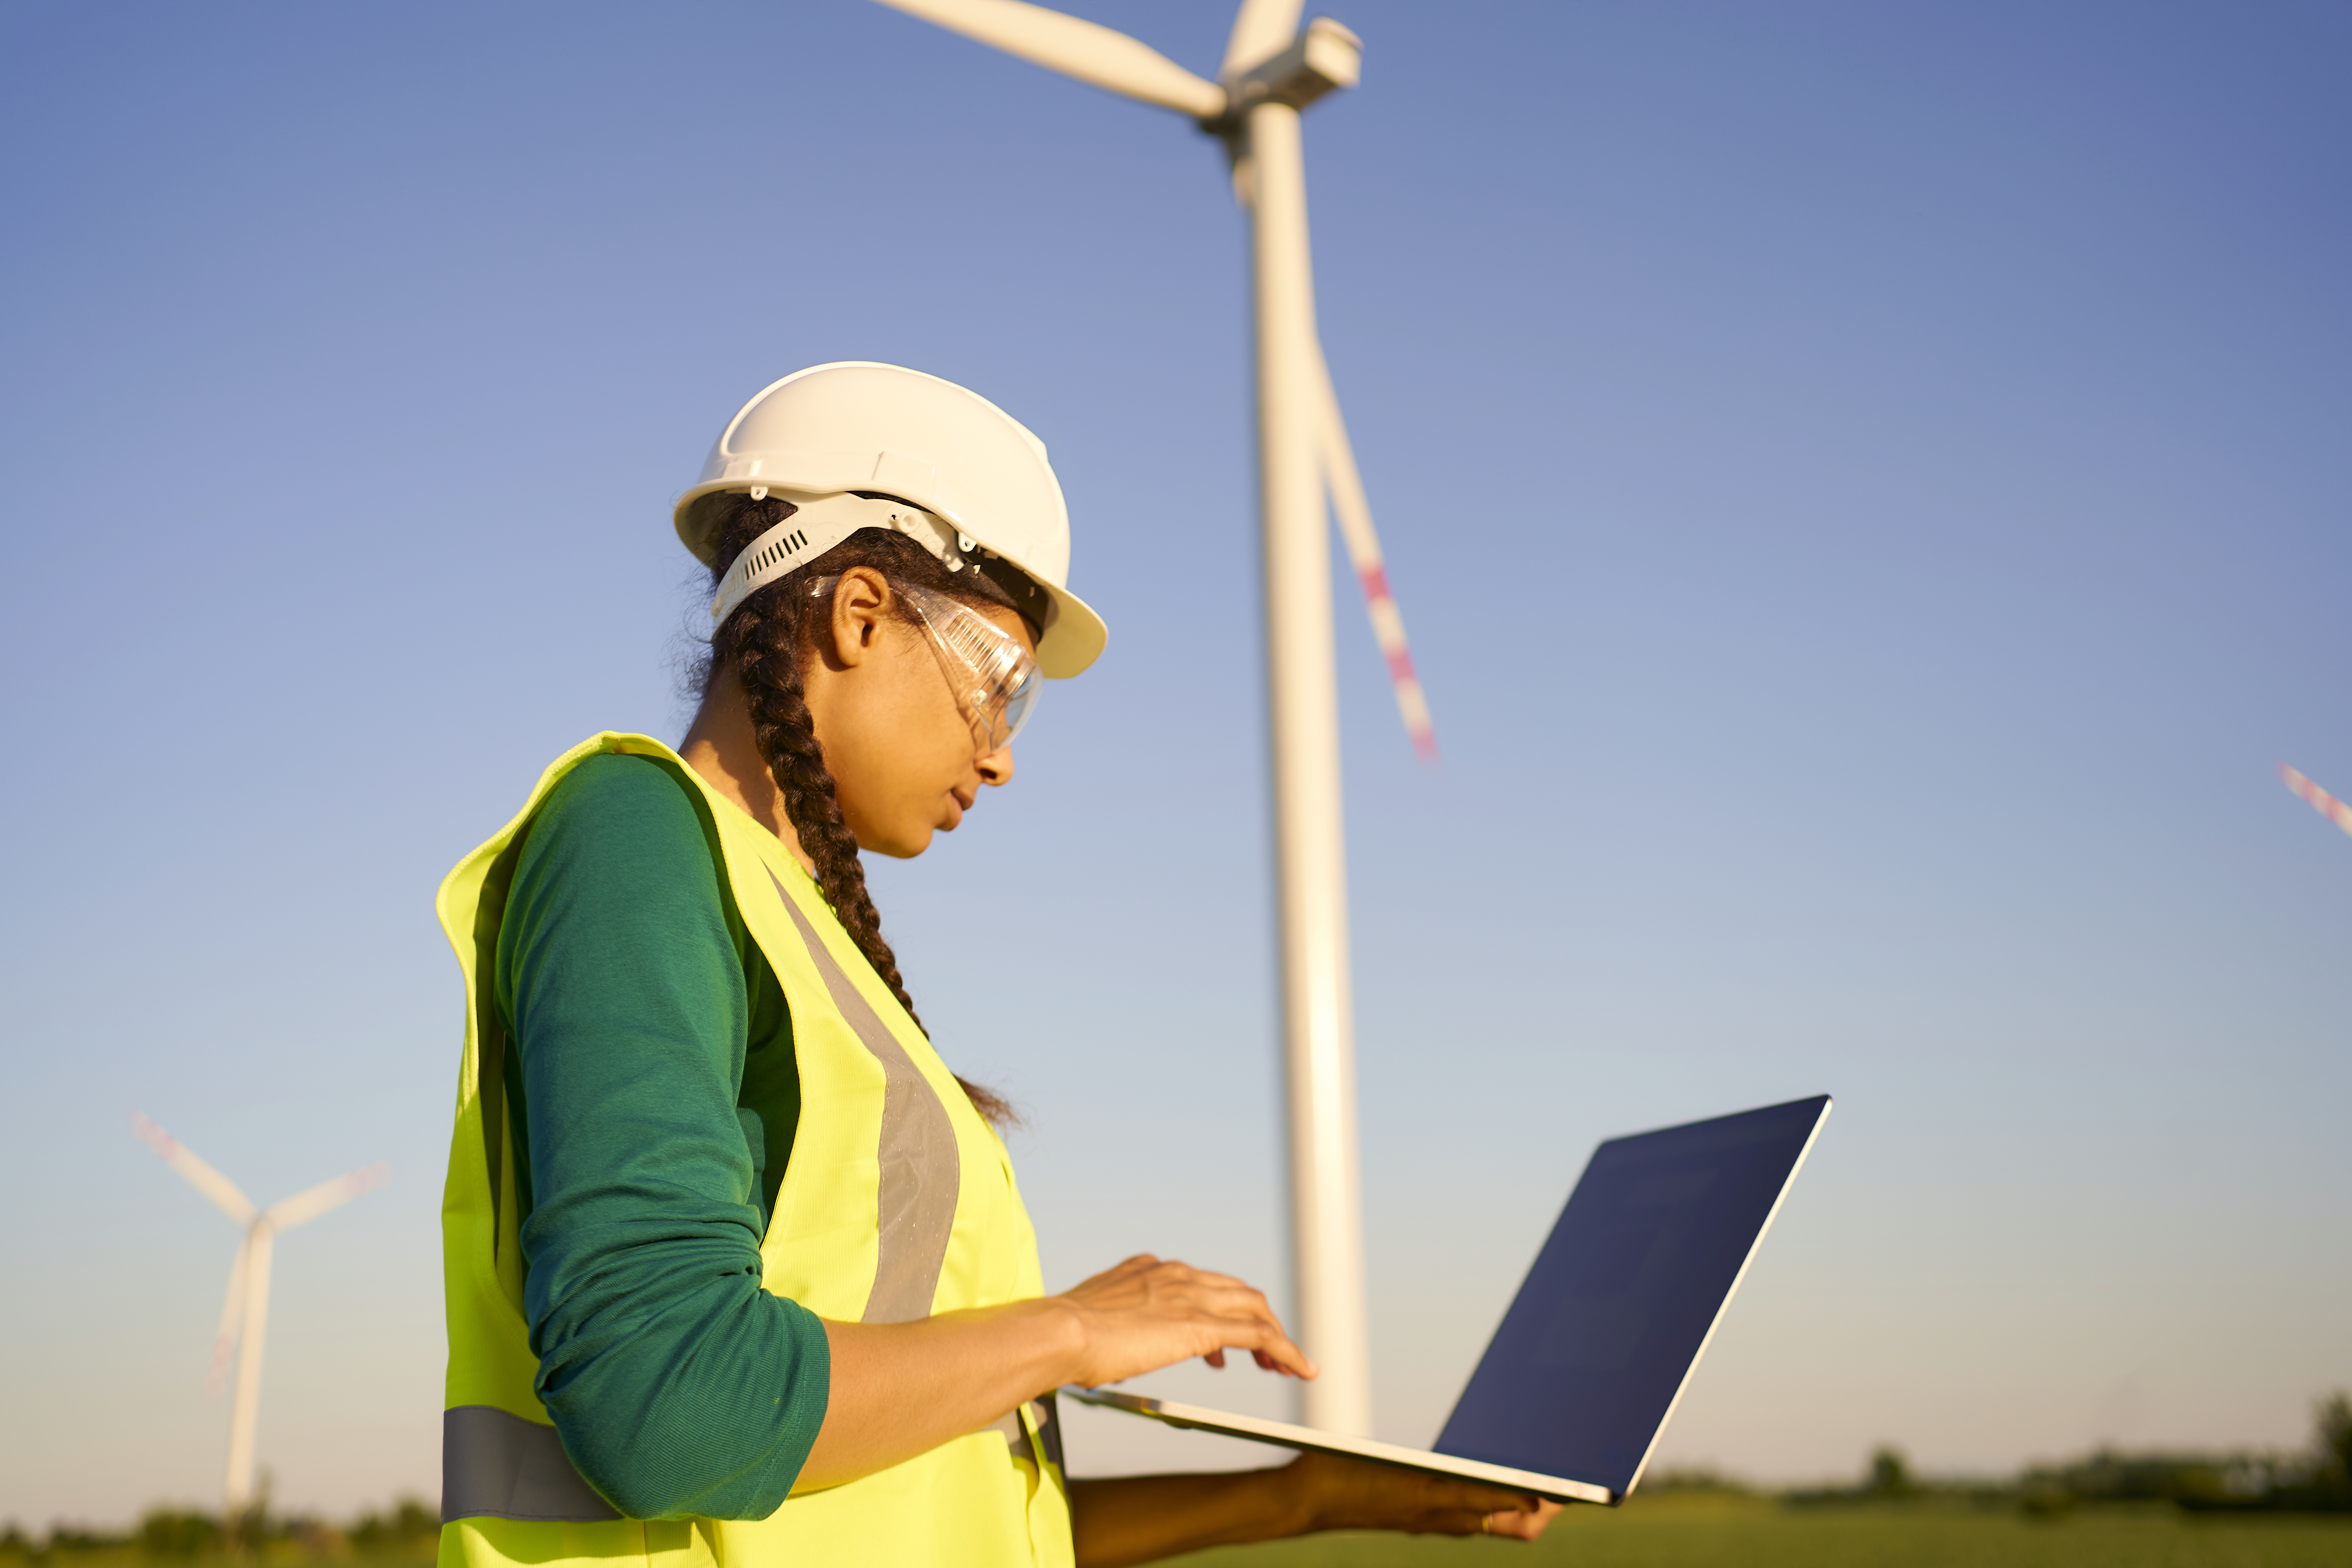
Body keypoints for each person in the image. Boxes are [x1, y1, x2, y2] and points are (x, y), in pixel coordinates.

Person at [433, 363, 1562, 1567]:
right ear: (859, 614)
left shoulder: (811, 940)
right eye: (1001, 690)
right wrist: (1068, 1331)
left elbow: (954, 1515)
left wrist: (1306, 1497)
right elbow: (669, 1408)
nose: (1002, 756)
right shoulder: (636, 837)